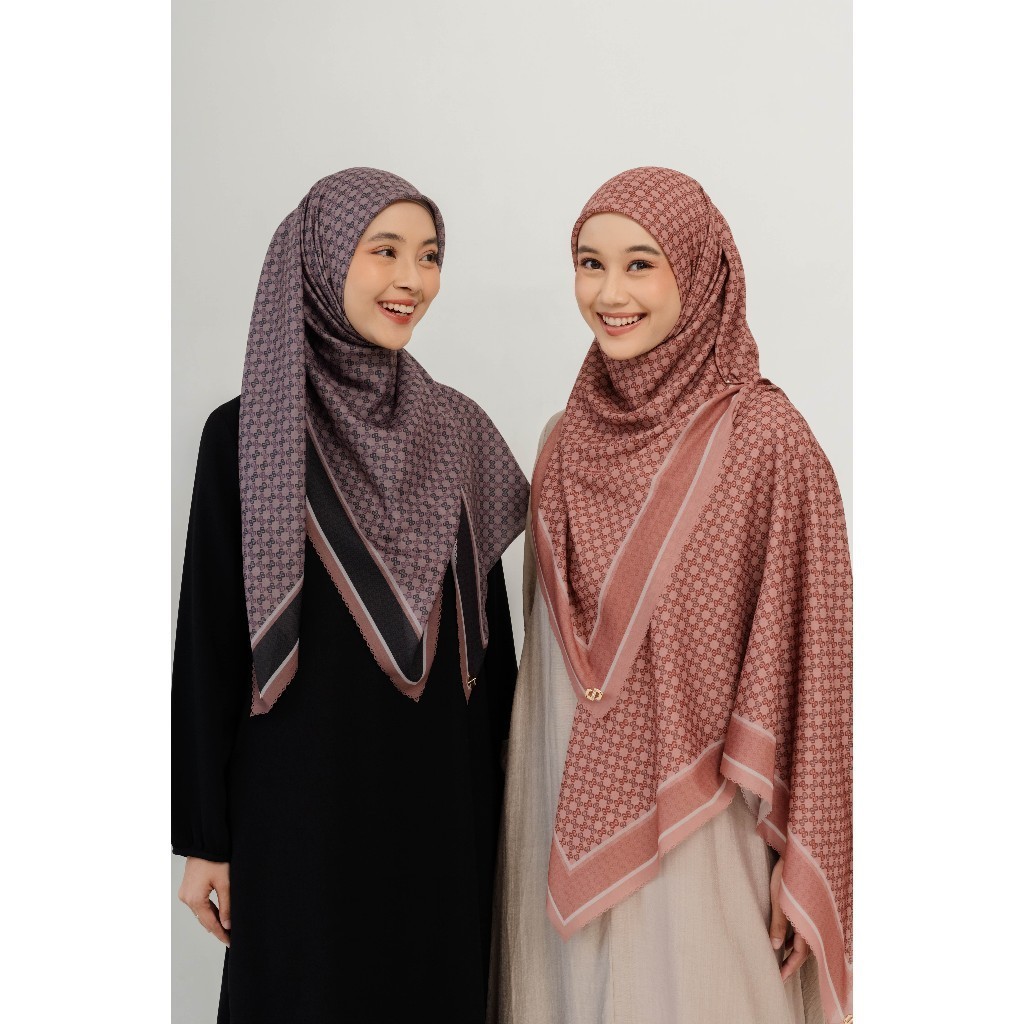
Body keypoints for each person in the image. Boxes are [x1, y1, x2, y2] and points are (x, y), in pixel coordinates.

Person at [490, 167, 852, 1024]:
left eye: (640, 264)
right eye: (590, 263)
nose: (609, 293)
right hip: (560, 803)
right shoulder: (562, 442)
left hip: (711, 829)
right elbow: (544, 660)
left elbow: (819, 655)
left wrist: (807, 855)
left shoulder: (766, 437)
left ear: (698, 270)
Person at [172, 167, 530, 1023]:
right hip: (297, 810)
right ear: (323, 258)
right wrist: (204, 839)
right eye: (386, 251)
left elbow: (492, 648)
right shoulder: (249, 430)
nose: (413, 279)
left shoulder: (460, 430)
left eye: (430, 256)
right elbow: (209, 642)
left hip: (442, 807)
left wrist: (512, 813)